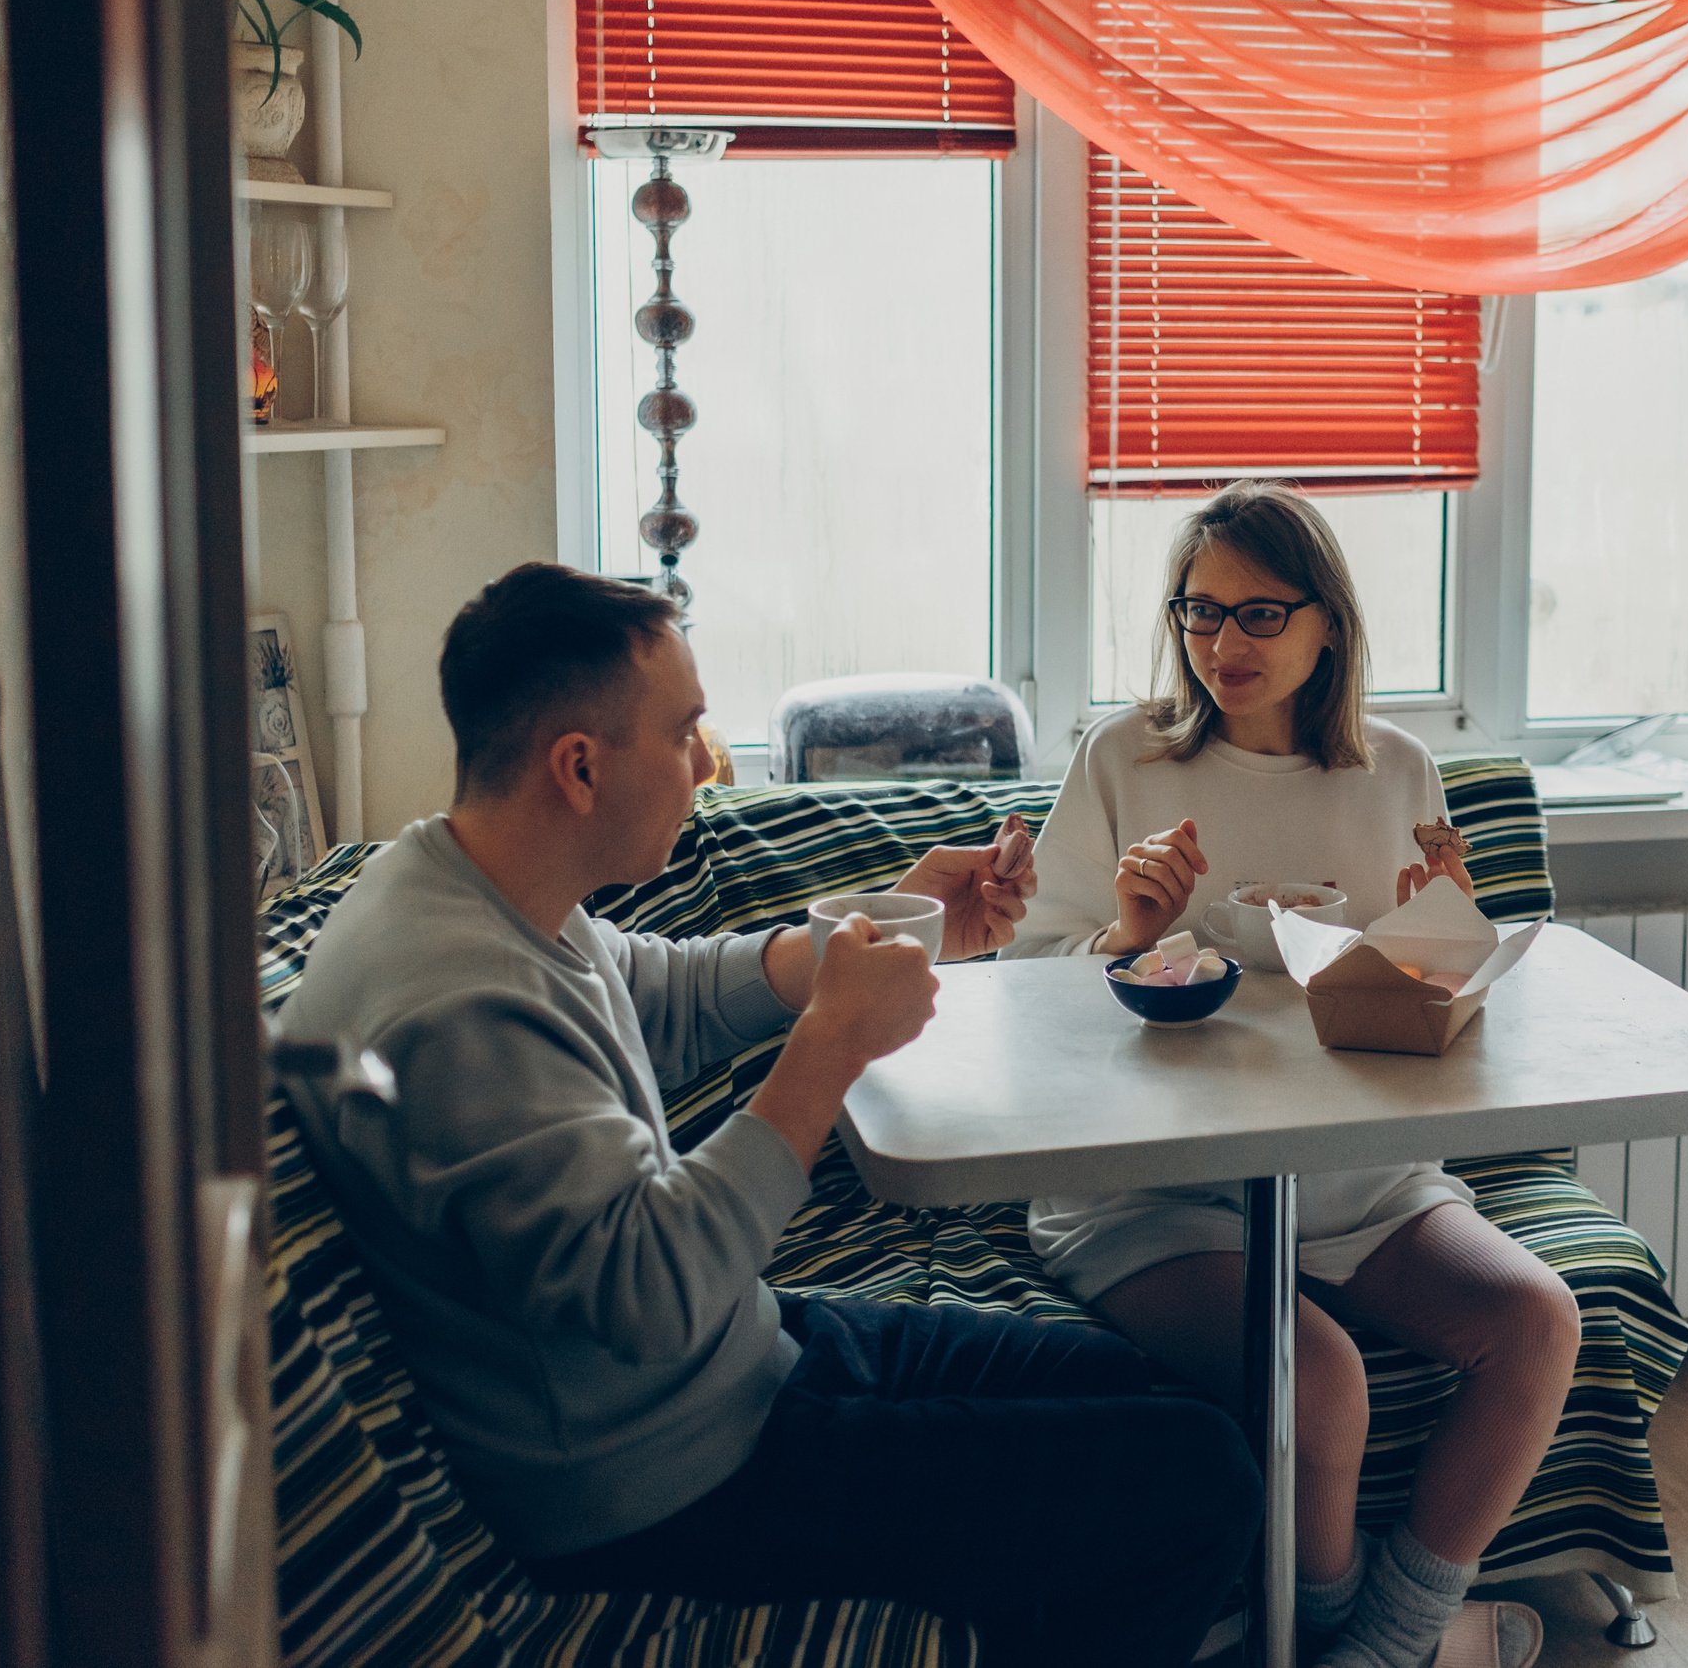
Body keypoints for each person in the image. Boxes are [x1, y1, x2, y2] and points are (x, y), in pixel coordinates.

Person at [279, 563, 1258, 1668]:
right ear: (579, 766)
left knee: (1132, 1386)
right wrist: (830, 1047)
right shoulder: (457, 1008)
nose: (707, 764)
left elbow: (664, 991)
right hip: (664, 1480)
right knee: (1201, 1479)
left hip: (738, 1358)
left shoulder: (470, 882)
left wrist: (880, 928)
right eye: (684, 731)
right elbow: (650, 1291)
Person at [1006, 484, 1580, 1668]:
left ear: (1329, 623)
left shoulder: (1396, 769)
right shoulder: (1123, 756)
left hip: (1355, 1175)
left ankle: (1387, 1641)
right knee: (1318, 1381)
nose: (1223, 642)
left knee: (1536, 1320)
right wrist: (1124, 935)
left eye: (1260, 612)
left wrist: (1442, 932)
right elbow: (1019, 995)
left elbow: (1436, 999)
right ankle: (1351, 1629)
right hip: (1155, 1187)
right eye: (1200, 609)